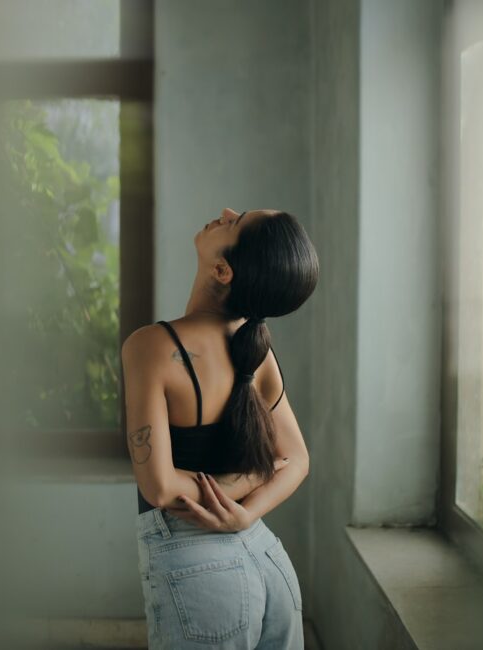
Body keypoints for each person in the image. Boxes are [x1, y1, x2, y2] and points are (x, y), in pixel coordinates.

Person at [121, 208, 319, 649]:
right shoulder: (255, 352)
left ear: (222, 270)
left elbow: (160, 488)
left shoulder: (151, 347)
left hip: (200, 572)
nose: (225, 213)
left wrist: (242, 497)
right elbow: (297, 460)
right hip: (266, 558)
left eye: (235, 221)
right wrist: (248, 506)